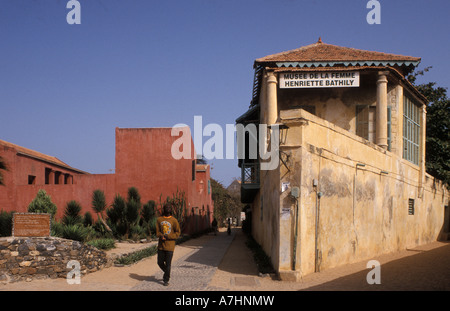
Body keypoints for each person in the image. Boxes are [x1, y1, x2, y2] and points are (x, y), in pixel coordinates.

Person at [156, 203, 181, 286]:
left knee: (168, 264)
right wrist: (161, 236)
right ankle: (167, 272)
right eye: (166, 207)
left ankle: (166, 279)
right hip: (161, 246)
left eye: (169, 207)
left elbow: (177, 232)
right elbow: (157, 232)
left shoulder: (174, 220)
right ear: (163, 209)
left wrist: (168, 237)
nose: (168, 208)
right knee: (159, 262)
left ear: (171, 209)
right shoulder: (159, 219)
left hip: (170, 246)